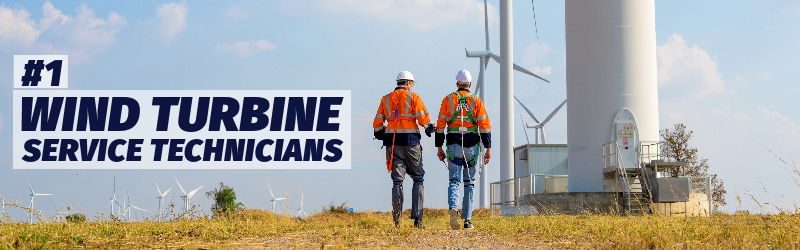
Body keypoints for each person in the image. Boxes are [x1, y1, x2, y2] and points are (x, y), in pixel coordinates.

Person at [373, 71, 434, 228]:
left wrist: (383, 134)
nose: (412, 86)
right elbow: (423, 119)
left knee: (397, 181)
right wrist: (429, 129)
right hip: (411, 142)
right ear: (407, 83)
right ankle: (417, 219)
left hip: (393, 144)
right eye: (412, 83)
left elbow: (377, 125)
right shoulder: (413, 97)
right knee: (418, 178)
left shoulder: (386, 99)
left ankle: (397, 221)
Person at [435, 69, 492, 230]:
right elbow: (485, 126)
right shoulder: (476, 101)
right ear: (470, 84)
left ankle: (453, 207)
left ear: (457, 83)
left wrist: (439, 147)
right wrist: (488, 148)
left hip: (453, 144)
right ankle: (467, 220)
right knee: (469, 183)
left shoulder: (448, 100)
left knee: (454, 180)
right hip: (472, 146)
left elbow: (440, 126)